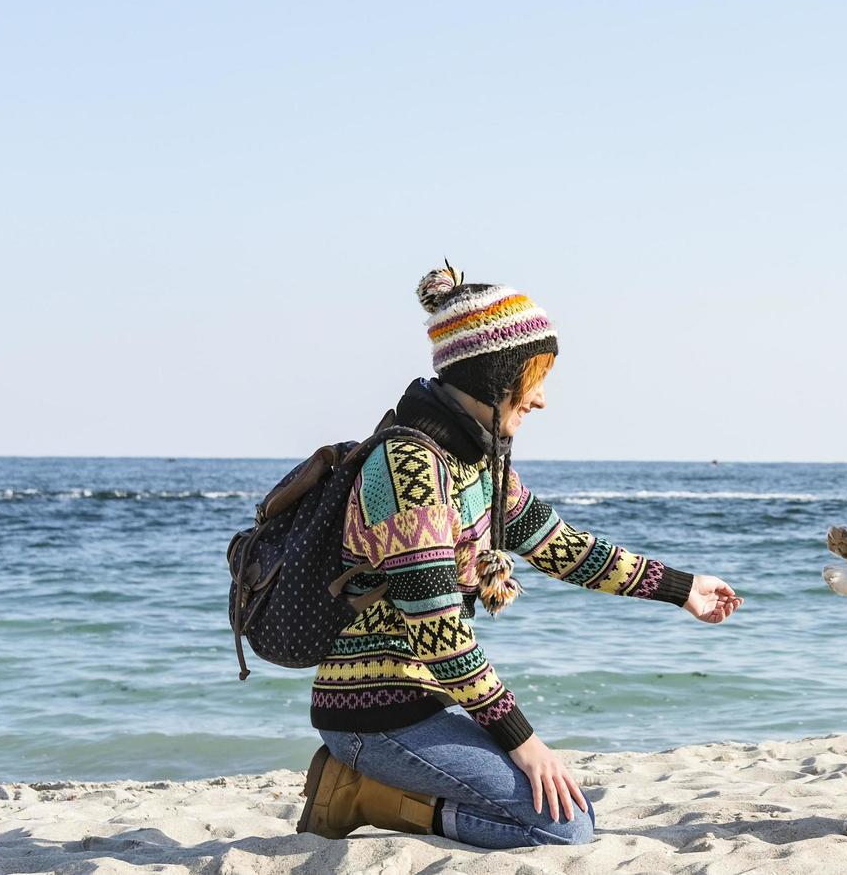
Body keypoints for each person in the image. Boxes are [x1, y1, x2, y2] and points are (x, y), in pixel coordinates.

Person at [297, 264, 742, 848]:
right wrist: (525, 742)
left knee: (563, 815)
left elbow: (562, 547)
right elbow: (438, 632)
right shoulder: (411, 467)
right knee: (565, 830)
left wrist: (682, 588)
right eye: (533, 377)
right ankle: (361, 791)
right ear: (492, 377)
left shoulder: (477, 464)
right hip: (374, 718)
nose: (541, 399)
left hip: (427, 704)